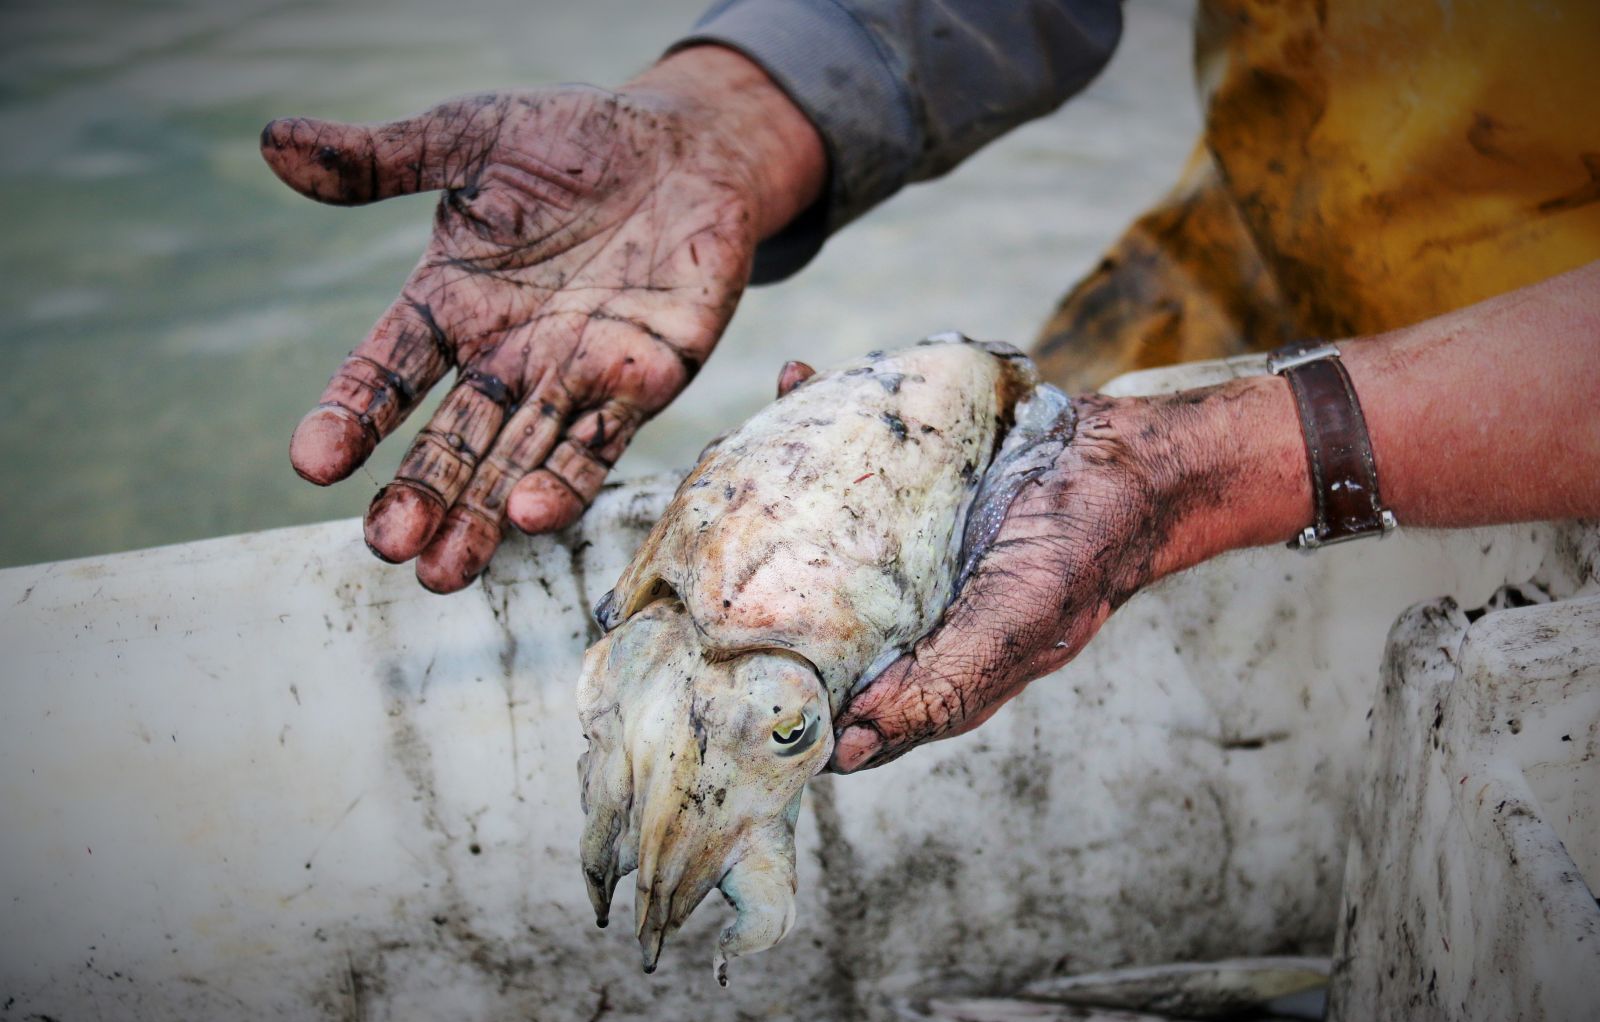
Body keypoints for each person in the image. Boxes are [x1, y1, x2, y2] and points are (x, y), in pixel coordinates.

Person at [259, 0, 1600, 773]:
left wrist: (1229, 459)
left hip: (1552, 413)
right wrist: (735, 120)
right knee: (988, 603)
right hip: (1266, 256)